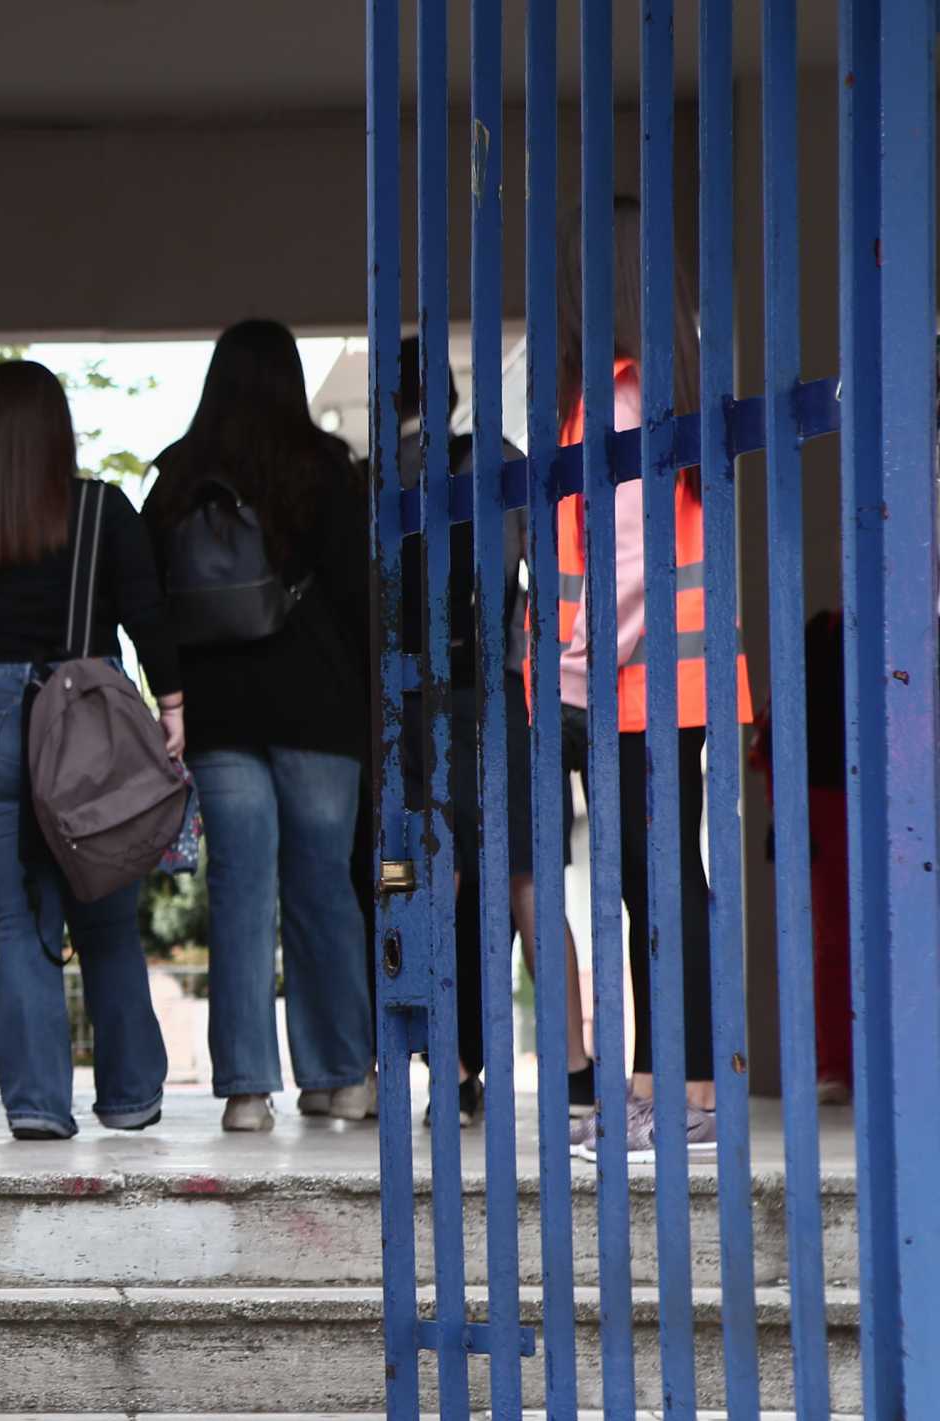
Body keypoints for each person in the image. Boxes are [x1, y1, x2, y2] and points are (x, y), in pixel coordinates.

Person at [0, 360, 184, 1140]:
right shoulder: (103, 508)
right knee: (104, 914)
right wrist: (171, 705)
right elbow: (148, 614)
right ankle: (131, 1094)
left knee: (19, 919)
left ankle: (36, 1105)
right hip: (89, 715)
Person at [547, 198, 752, 1159]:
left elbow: (626, 565)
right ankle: (665, 1084)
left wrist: (571, 674)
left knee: (654, 878)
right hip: (680, 672)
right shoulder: (672, 388)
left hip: (638, 678)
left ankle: (684, 1091)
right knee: (658, 877)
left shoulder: (623, 401)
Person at [147, 319, 375, 1134]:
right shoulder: (326, 470)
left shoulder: (177, 479)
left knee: (241, 892)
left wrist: (169, 699)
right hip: (320, 710)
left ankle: (247, 1090)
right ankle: (341, 1076)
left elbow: (151, 608)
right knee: (325, 892)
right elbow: (359, 598)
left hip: (220, 717)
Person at [395, 336, 588, 1126]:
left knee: (437, 886)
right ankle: (573, 1066)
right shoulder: (501, 463)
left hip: (412, 699)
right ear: (448, 396)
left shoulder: (375, 480)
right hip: (502, 693)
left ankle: (457, 1071)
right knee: (530, 881)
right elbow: (549, 576)